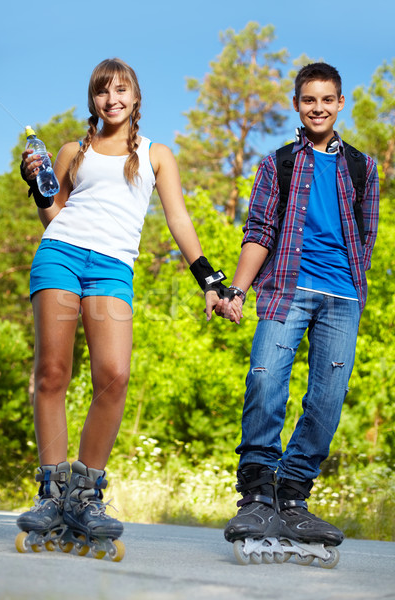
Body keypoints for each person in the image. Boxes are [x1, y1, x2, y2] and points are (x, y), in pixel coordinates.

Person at [16, 58, 226, 559]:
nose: (112, 100)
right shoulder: (73, 149)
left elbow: (178, 219)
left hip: (113, 269)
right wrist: (37, 184)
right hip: (61, 256)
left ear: (135, 98)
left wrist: (209, 279)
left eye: (121, 91)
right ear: (93, 100)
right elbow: (55, 214)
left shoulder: (157, 156)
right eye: (102, 92)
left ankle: (85, 496)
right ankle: (52, 491)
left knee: (114, 375)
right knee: (52, 372)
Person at [215, 63, 379, 561]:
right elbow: (260, 231)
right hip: (287, 288)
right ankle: (258, 493)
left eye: (327, 99)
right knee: (266, 381)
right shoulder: (277, 165)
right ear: (297, 104)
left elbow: (365, 234)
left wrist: (352, 285)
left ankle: (293, 495)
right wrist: (237, 290)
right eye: (309, 99)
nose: (319, 107)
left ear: (340, 103)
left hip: (343, 297)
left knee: (327, 400)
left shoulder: (363, 167)